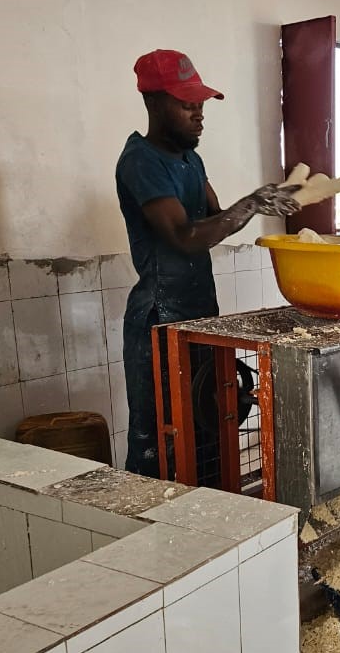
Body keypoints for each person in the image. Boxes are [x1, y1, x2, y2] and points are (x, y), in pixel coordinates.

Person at [116, 49, 300, 477]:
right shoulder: (141, 161)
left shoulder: (190, 160)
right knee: (159, 436)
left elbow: (215, 221)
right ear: (154, 102)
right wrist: (254, 201)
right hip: (159, 320)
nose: (198, 116)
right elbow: (185, 237)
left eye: (200, 106)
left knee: (205, 427)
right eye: (187, 106)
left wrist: (259, 202)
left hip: (199, 313)